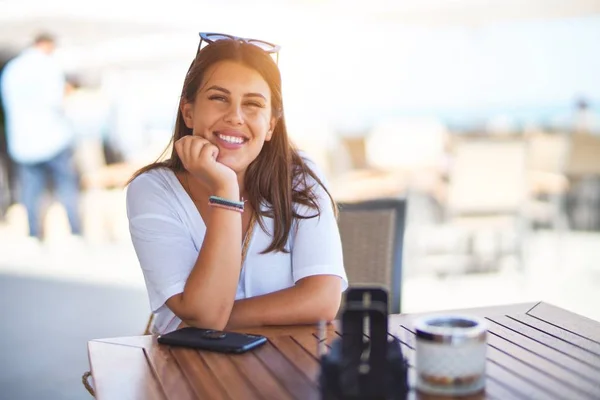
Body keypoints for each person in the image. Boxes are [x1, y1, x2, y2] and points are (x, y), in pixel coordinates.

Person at [126, 33, 348, 335]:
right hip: (187, 369)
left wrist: (206, 320)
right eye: (219, 98)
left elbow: (322, 300)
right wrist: (225, 190)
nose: (235, 117)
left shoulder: (300, 175)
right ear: (188, 111)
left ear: (270, 125)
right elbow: (204, 316)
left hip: (286, 367)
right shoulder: (153, 190)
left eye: (253, 104)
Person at [0, 33, 81, 239]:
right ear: (46, 45)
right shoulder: (48, 66)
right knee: (66, 185)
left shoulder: (11, 70)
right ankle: (75, 231)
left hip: (22, 142)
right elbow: (58, 102)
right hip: (52, 137)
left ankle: (33, 233)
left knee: (29, 189)